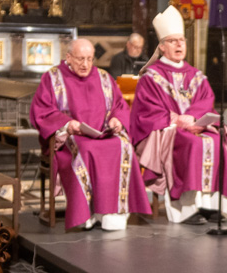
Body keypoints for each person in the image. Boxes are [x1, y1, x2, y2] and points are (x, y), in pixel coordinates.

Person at [130, 5, 227, 224]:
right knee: (192, 143)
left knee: (216, 141)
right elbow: (146, 110)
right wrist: (177, 120)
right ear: (162, 47)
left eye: (182, 40)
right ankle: (186, 208)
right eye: (173, 41)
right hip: (167, 130)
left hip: (196, 126)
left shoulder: (196, 75)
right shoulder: (151, 77)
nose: (179, 44)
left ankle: (211, 205)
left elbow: (206, 100)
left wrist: (193, 118)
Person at [29, 38, 151, 231]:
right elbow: (42, 111)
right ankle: (87, 214)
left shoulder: (103, 77)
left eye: (89, 59)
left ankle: (112, 213)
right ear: (69, 57)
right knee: (85, 149)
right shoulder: (52, 78)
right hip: (71, 137)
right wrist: (67, 123)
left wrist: (117, 120)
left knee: (124, 146)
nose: (85, 64)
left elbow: (119, 105)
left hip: (103, 134)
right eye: (80, 59)